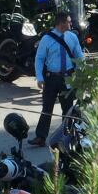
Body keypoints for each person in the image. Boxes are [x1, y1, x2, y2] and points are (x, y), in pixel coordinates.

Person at [29, 10, 84, 146]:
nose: (71, 24)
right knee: (47, 108)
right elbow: (39, 58)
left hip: (68, 78)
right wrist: (39, 77)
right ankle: (41, 137)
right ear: (61, 23)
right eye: (69, 22)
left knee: (68, 109)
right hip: (51, 78)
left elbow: (79, 56)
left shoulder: (72, 37)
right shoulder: (46, 39)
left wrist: (81, 74)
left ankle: (67, 137)